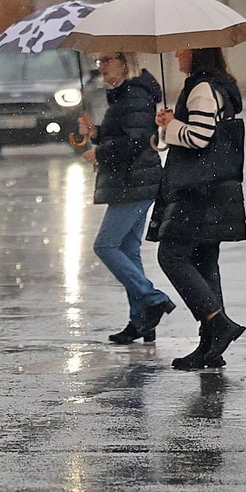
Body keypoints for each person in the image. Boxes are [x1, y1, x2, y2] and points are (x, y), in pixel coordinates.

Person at [154, 47, 246, 370]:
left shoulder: (203, 89)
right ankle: (211, 347)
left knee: (170, 255)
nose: (177, 54)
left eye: (182, 49)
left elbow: (200, 137)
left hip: (198, 192)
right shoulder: (213, 85)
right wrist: (169, 124)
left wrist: (173, 127)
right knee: (204, 261)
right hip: (216, 190)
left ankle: (218, 323)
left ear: (197, 53)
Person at [78, 51, 175, 344]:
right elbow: (119, 134)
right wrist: (95, 132)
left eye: (107, 60)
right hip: (130, 180)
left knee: (106, 245)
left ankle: (152, 299)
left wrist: (100, 152)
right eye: (99, 61)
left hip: (135, 181)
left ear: (124, 62)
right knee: (128, 250)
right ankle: (142, 321)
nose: (101, 66)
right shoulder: (124, 94)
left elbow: (135, 141)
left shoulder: (133, 94)